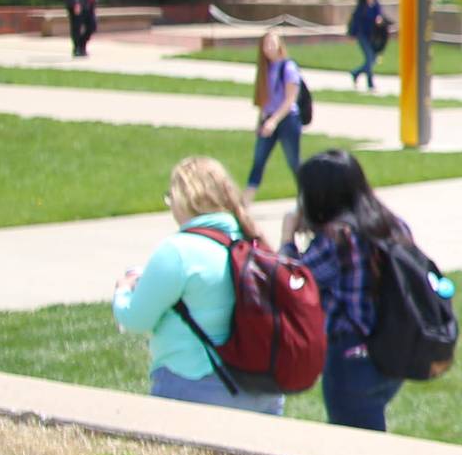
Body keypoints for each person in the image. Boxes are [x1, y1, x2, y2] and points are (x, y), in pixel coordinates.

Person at [114, 156, 285, 415]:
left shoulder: (178, 251)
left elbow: (136, 319)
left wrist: (123, 290)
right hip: (264, 391)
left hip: (196, 388)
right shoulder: (254, 242)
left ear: (184, 200)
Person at [287, 148, 418, 432]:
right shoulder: (391, 224)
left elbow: (290, 283)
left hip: (352, 357)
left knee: (355, 451)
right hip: (393, 352)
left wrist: (288, 240)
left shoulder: (337, 238)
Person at [247, 31, 306, 189]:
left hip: (287, 120)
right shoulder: (264, 69)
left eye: (273, 43)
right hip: (268, 121)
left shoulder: (288, 67)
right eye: (266, 44)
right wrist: (261, 122)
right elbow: (264, 101)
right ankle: (244, 206)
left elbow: (290, 100)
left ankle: (307, 197)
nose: (269, 47)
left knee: (294, 162)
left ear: (280, 44)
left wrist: (274, 121)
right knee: (258, 162)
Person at [344, 0, 387, 89]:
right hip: (362, 36)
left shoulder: (376, 3)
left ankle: (356, 73)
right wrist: (352, 35)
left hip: (372, 35)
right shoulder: (362, 5)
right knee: (369, 58)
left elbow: (379, 14)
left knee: (372, 60)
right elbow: (356, 21)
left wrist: (379, 19)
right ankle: (370, 83)